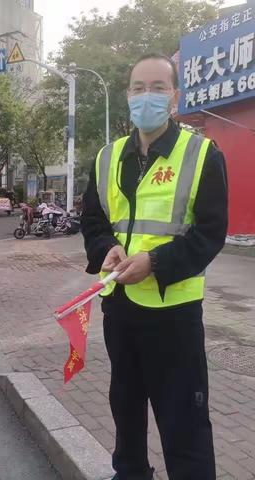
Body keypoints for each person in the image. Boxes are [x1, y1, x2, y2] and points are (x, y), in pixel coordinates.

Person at [82, 54, 228, 480]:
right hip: (121, 308)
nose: (147, 96)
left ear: (175, 97)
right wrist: (105, 248)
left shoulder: (202, 154)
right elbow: (93, 220)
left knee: (183, 417)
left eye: (158, 87)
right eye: (138, 88)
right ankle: (129, 472)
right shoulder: (107, 157)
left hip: (174, 314)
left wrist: (156, 262)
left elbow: (210, 235)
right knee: (125, 404)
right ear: (128, 95)